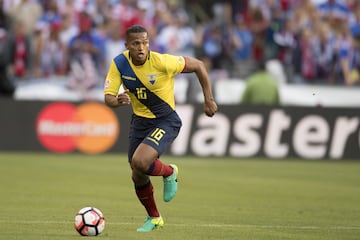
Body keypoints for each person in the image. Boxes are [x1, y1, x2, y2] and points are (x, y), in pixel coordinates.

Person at [103, 25, 218, 232]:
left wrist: (208, 100)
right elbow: (108, 97)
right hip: (139, 122)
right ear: (127, 45)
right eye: (136, 43)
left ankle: (169, 172)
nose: (141, 47)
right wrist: (117, 100)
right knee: (137, 173)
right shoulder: (119, 63)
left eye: (145, 42)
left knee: (141, 161)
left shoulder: (162, 61)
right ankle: (154, 218)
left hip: (166, 120)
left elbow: (199, 65)